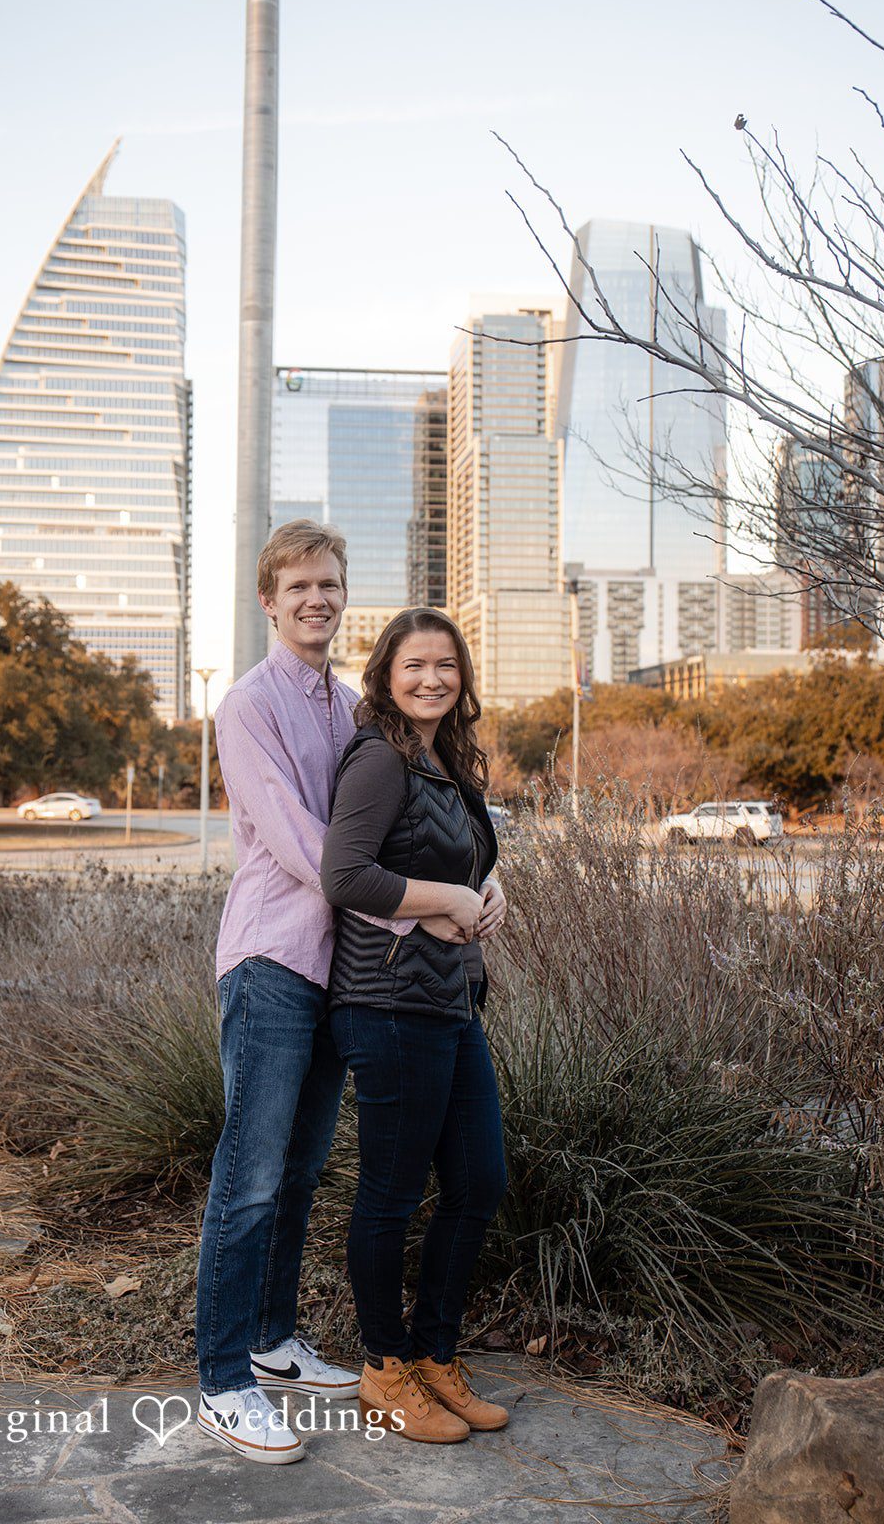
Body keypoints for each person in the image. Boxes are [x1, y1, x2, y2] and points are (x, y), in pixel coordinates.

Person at [194, 523, 483, 1464]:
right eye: (299, 587)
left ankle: (274, 1340)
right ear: (269, 602)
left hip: (341, 971)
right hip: (275, 961)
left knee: (304, 1168)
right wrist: (424, 912)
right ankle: (224, 1379)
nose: (316, 599)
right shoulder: (248, 705)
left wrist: (470, 877)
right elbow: (305, 848)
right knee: (250, 1175)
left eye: (329, 584)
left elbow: (405, 819)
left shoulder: (347, 707)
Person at [320, 607, 510, 1445]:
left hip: (450, 998)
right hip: (387, 1004)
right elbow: (345, 874)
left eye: (446, 665)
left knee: (478, 1184)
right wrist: (444, 899)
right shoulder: (378, 758)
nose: (432, 679)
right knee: (391, 1197)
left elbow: (459, 866)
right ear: (386, 674)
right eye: (414, 665)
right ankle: (383, 1367)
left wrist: (489, 891)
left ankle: (435, 1354)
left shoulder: (445, 760)